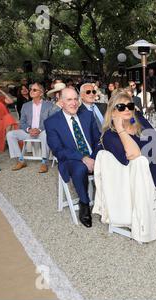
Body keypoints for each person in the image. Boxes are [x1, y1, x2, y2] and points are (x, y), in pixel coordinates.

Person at [95, 92, 156, 239]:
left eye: (130, 105)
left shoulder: (138, 120)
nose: (127, 109)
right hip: (137, 172)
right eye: (121, 107)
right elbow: (134, 153)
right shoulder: (110, 135)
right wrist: (120, 128)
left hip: (152, 162)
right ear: (113, 111)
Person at [45, 88, 101, 228]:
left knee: (114, 162)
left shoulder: (87, 115)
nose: (74, 103)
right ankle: (84, 203)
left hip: (93, 156)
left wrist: (94, 157)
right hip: (71, 159)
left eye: (76, 99)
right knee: (80, 168)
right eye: (69, 100)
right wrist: (83, 158)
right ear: (61, 102)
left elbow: (98, 140)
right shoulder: (52, 122)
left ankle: (114, 204)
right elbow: (58, 150)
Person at [7, 83, 53, 173]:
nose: (31, 91)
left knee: (46, 134)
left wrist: (39, 129)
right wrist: (29, 129)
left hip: (42, 131)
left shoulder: (49, 105)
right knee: (10, 134)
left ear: (41, 93)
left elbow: (50, 121)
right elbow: (22, 122)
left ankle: (44, 162)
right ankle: (21, 160)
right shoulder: (26, 105)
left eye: (34, 90)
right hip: (28, 132)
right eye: (31, 89)